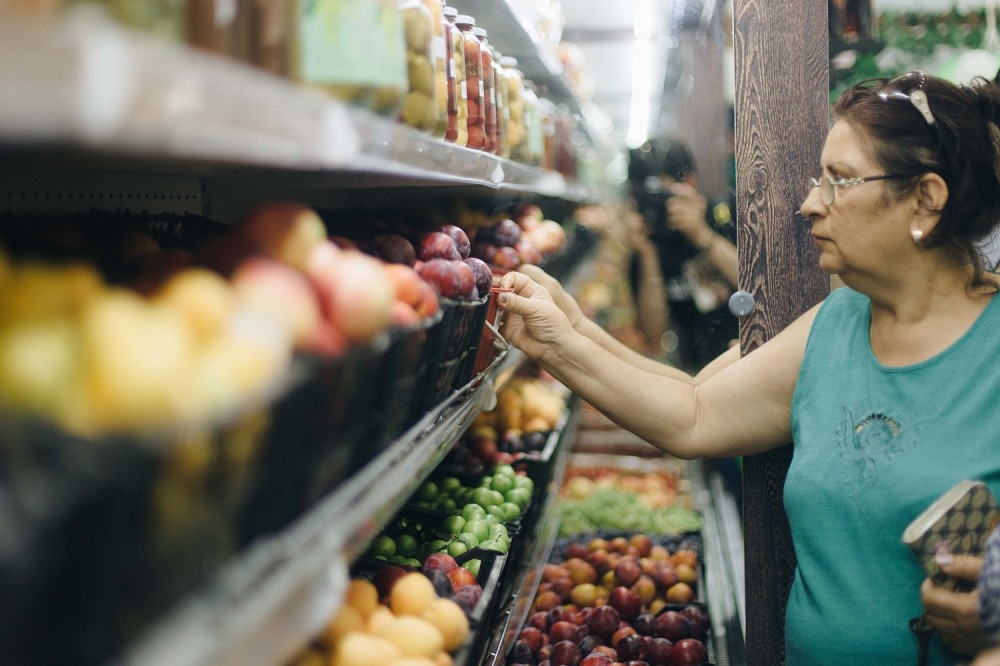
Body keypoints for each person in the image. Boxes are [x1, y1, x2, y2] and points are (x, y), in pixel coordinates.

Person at [497, 71, 1000, 664]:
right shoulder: (836, 325)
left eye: (839, 181)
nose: (811, 204)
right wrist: (568, 336)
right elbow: (695, 412)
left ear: (926, 200)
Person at [626, 137, 740, 370]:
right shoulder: (646, 243)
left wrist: (703, 235)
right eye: (646, 196)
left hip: (742, 358)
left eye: (661, 194)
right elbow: (654, 334)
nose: (655, 204)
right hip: (692, 369)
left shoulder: (721, 217)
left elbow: (758, 288)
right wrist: (647, 254)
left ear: (690, 182)